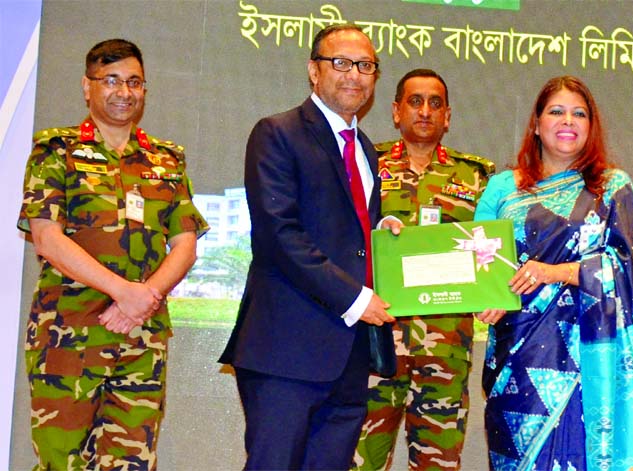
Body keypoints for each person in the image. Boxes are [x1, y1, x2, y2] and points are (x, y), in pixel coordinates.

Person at [17, 39, 208, 470]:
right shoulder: (55, 149)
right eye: (112, 80)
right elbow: (47, 238)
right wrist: (124, 292)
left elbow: (185, 244)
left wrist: (145, 296)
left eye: (135, 82)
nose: (125, 91)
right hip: (68, 335)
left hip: (141, 335)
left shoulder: (166, 159)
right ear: (88, 87)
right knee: (61, 461)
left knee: (132, 462)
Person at [474, 76, 633, 470]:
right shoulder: (503, 187)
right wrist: (396, 235)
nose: (567, 120)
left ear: (590, 127)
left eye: (579, 113)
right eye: (556, 111)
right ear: (535, 123)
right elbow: (472, 256)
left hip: (587, 365)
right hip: (514, 365)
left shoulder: (612, 188)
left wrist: (557, 272)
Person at [218, 24, 400, 470]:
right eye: (340, 63)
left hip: (349, 355)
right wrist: (356, 299)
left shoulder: (366, 150)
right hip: (286, 351)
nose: (354, 75)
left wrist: (382, 231)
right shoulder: (278, 133)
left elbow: (345, 230)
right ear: (313, 71)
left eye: (365, 66)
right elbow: (280, 235)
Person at [352, 69, 495, 471]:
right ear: (396, 111)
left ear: (447, 116)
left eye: (435, 103)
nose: (425, 111)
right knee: (359, 462)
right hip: (376, 345)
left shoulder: (477, 176)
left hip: (445, 351)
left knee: (439, 465)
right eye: (415, 101)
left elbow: (492, 253)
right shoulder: (366, 165)